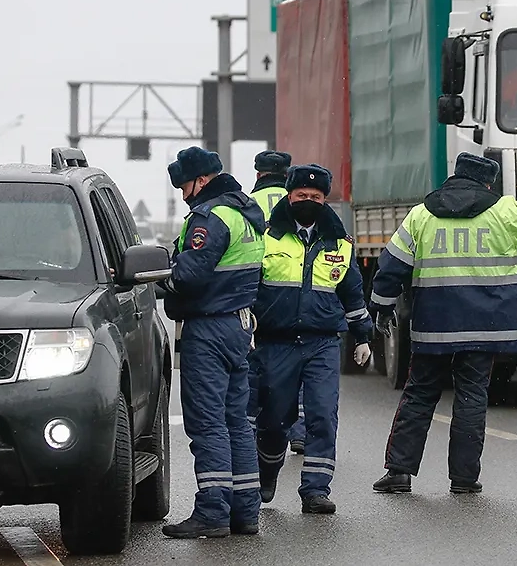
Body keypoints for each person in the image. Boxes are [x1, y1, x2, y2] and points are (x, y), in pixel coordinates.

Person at [368, 151, 517, 494]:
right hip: (486, 326)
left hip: (434, 324)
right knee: (471, 397)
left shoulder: (421, 216)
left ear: (455, 176)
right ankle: (464, 479)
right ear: (487, 183)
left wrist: (381, 306)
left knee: (420, 394)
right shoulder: (508, 213)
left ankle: (399, 471)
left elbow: (391, 265)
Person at [251, 163, 373, 514]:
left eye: (316, 197)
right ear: (289, 196)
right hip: (275, 343)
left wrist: (362, 337)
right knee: (274, 419)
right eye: (302, 196)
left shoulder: (339, 242)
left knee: (322, 415)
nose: (308, 201)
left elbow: (352, 292)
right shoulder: (266, 237)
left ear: (325, 199)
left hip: (322, 343)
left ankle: (316, 489)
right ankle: (267, 472)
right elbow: (248, 286)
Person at [160, 146, 267, 539]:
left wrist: (156, 277)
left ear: (201, 180)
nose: (183, 194)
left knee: (207, 423)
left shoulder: (211, 218)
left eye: (184, 185)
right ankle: (245, 512)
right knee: (236, 422)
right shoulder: (245, 214)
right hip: (239, 324)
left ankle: (212, 512)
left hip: (209, 327)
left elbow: (189, 274)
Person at [247, 150, 306, 454]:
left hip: (258, 287)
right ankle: (299, 429)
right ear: (287, 174)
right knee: (298, 357)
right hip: (295, 287)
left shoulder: (247, 203)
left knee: (261, 361)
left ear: (258, 175)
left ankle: (263, 421)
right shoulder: (299, 201)